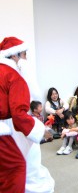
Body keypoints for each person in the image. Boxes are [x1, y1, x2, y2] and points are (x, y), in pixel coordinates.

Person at [0, 36, 54, 193]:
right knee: (17, 166)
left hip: (10, 124)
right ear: (15, 55)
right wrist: (41, 131)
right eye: (24, 54)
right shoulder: (13, 76)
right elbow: (18, 114)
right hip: (9, 127)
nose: (26, 59)